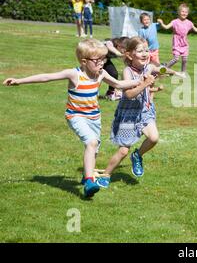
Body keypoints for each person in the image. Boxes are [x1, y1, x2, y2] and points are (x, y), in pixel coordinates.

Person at [2, 39, 143, 198]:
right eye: (98, 60)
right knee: (91, 142)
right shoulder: (74, 74)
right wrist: (19, 81)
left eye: (104, 59)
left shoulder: (101, 73)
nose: (102, 63)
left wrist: (139, 81)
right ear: (84, 61)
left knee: (94, 148)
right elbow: (46, 77)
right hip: (76, 116)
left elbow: (118, 84)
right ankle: (90, 181)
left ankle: (85, 176)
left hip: (94, 117)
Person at [96, 37, 160, 188]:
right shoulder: (128, 71)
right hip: (128, 116)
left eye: (146, 50)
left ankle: (137, 155)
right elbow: (129, 94)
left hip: (144, 111)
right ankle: (106, 175)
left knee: (154, 138)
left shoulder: (148, 67)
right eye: (140, 51)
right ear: (130, 55)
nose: (145, 53)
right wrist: (145, 84)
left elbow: (160, 69)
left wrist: (173, 72)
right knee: (123, 150)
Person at [157, 3, 197, 76]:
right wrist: (161, 23)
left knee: (185, 59)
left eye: (186, 12)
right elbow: (166, 27)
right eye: (182, 11)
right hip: (177, 43)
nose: (184, 13)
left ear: (188, 13)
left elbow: (195, 29)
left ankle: (183, 72)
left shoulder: (189, 23)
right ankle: (164, 69)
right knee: (176, 59)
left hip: (184, 44)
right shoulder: (175, 21)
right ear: (179, 12)